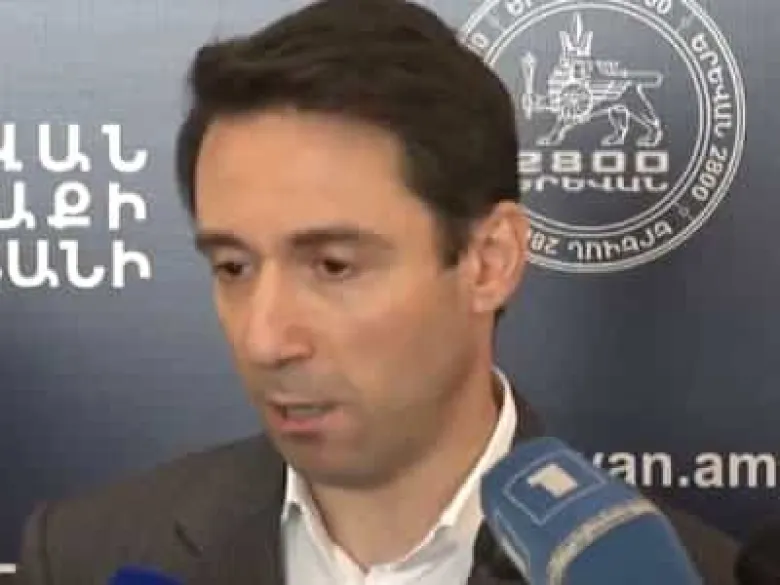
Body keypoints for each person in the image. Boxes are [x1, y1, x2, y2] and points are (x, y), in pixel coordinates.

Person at [15, 0, 739, 583]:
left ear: (490, 261)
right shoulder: (84, 556)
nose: (264, 340)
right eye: (233, 267)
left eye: (333, 266)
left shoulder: (692, 574)